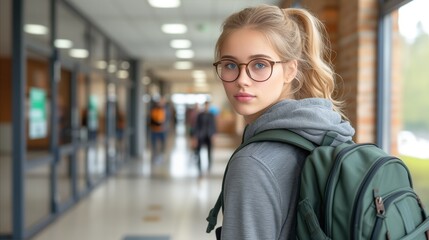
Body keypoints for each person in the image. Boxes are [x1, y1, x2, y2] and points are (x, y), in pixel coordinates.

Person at [210, 5, 355, 239]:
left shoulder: (253, 163)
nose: (242, 80)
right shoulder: (330, 132)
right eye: (230, 65)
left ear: (290, 70)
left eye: (259, 65)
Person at [194, 101, 217, 175]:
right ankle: (199, 166)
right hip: (201, 135)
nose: (207, 107)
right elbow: (197, 126)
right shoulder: (200, 115)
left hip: (209, 135)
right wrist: (195, 136)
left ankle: (209, 166)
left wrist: (214, 135)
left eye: (208, 106)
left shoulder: (211, 115)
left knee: (209, 151)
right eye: (206, 105)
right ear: (204, 106)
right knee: (199, 151)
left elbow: (214, 125)